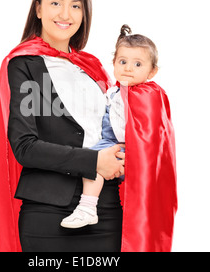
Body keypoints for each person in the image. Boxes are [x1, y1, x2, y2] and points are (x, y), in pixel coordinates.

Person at [0, 0, 125, 252]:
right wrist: (93, 163)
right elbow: (25, 147)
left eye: (75, 6)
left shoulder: (95, 70)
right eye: (56, 3)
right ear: (39, 8)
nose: (65, 14)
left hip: (107, 212)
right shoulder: (24, 65)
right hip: (49, 214)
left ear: (85, 13)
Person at [60, 24, 159, 229]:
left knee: (91, 163)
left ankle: (87, 208)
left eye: (138, 64)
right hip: (109, 142)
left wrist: (129, 151)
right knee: (86, 160)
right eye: (123, 62)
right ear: (113, 63)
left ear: (152, 71)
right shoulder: (114, 91)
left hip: (122, 146)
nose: (128, 68)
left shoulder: (145, 95)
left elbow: (145, 131)